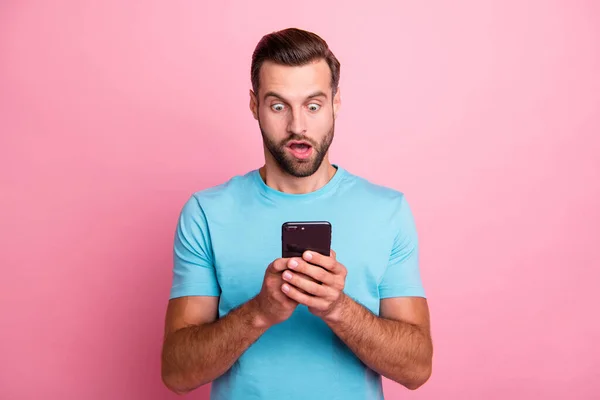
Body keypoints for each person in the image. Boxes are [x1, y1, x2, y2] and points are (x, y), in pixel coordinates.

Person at [160, 27, 433, 399]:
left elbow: (417, 369)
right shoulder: (206, 213)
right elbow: (177, 372)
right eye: (278, 106)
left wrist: (337, 307)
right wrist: (261, 311)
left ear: (336, 103)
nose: (297, 126)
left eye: (313, 105)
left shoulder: (387, 211)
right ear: (254, 105)